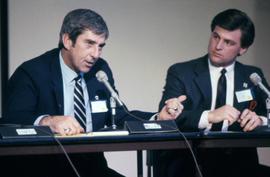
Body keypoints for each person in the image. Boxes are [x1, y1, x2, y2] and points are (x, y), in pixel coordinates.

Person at [1, 8, 185, 177]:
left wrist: (157, 118)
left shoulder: (99, 70)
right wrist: (47, 121)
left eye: (101, 46)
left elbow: (119, 116)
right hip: (43, 169)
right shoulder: (32, 72)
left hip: (90, 168)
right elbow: (11, 120)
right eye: (89, 44)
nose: (96, 54)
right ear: (67, 40)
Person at [153, 9, 270, 177]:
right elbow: (166, 118)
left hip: (240, 165)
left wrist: (260, 119)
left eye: (228, 42)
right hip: (191, 163)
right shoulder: (181, 72)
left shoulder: (252, 76)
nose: (218, 46)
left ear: (242, 49)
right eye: (216, 37)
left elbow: (267, 110)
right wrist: (209, 116)